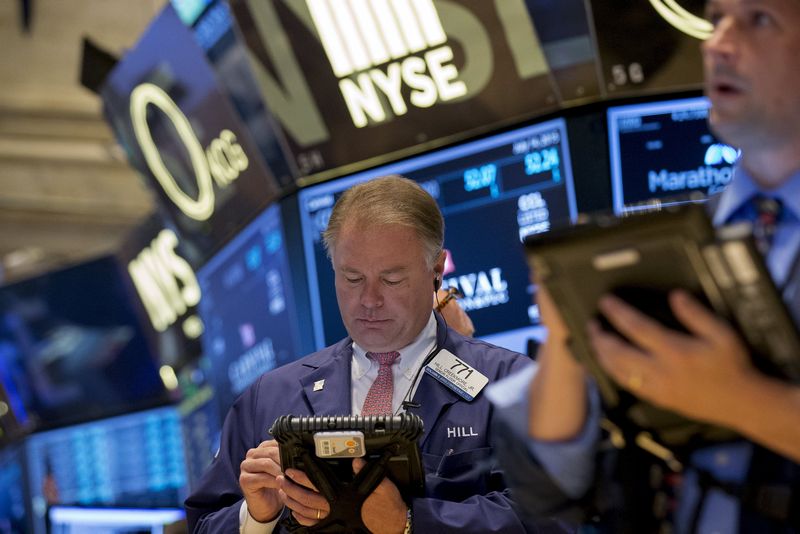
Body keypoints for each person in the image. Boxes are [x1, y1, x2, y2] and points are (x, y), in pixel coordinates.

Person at [489, 0, 800, 531]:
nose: (717, 43)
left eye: (759, 19)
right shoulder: (673, 243)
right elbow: (549, 484)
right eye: (719, 17)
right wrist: (569, 341)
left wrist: (739, 399)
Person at [185, 175, 533, 533]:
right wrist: (256, 517)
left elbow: (550, 520)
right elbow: (203, 523)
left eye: (391, 279)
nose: (369, 299)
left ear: (437, 270)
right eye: (352, 278)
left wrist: (409, 523)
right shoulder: (269, 398)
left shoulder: (512, 383)